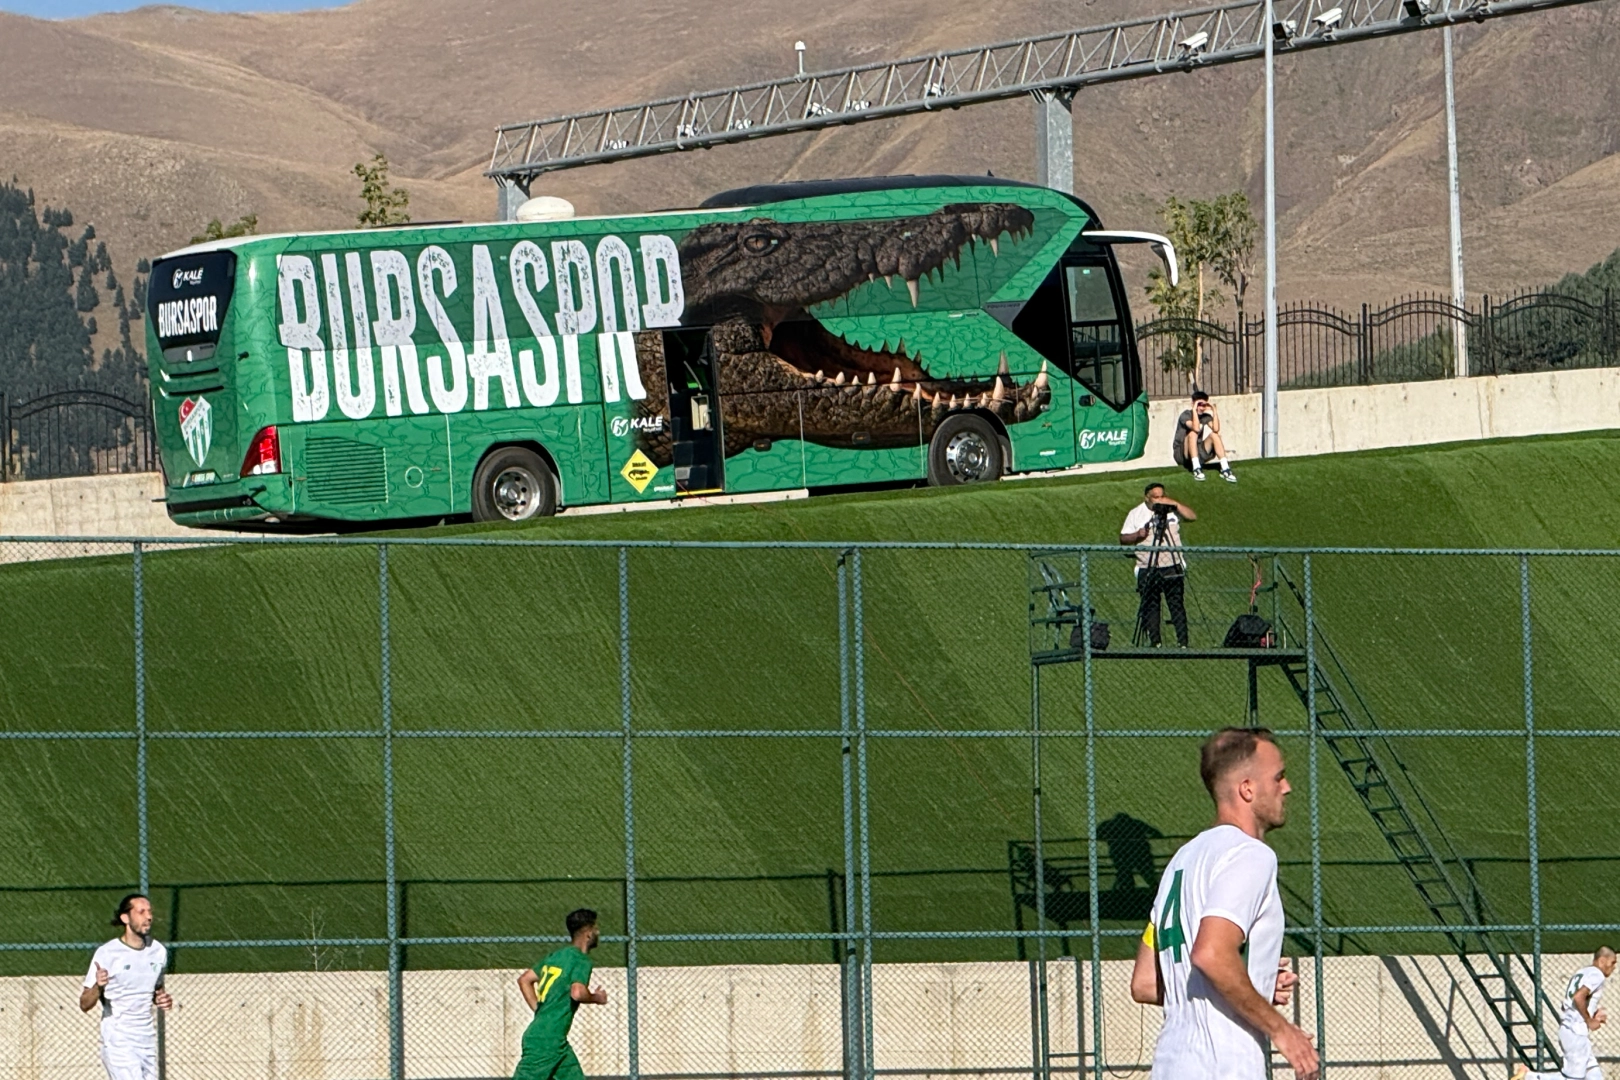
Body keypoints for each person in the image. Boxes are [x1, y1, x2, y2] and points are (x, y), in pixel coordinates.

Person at [1129, 728, 1319, 1080]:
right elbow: (1211, 953)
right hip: (1223, 1067)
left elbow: (1145, 981)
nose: (1287, 787)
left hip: (1171, 1067)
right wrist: (1283, 1031)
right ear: (1247, 789)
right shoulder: (1250, 855)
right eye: (1278, 777)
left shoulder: (1180, 862)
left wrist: (1252, 986)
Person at [80, 894, 172, 1080]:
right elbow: (84, 1004)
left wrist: (161, 998)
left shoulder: (158, 951)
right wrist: (98, 985)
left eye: (149, 912)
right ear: (125, 918)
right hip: (119, 1040)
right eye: (141, 912)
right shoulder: (108, 953)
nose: (148, 917)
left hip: (146, 1038)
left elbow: (156, 989)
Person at [514, 909, 609, 1080]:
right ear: (588, 933)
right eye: (595, 928)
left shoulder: (555, 957)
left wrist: (541, 1011)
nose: (598, 932)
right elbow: (577, 992)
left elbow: (524, 980)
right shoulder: (581, 960)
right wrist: (596, 998)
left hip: (554, 1040)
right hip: (547, 1042)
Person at [1513, 946, 1616, 1080]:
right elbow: (1578, 997)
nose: (1613, 967)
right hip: (1576, 1033)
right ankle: (1529, 1077)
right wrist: (1589, 1020)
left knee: (1594, 1075)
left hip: (1571, 1030)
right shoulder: (1597, 975)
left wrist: (1592, 1014)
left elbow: (1571, 1004)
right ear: (1602, 960)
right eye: (1612, 962)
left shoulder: (1582, 972)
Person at [1119, 483, 1195, 648]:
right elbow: (1123, 538)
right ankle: (1155, 641)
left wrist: (1175, 504)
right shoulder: (1136, 513)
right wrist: (1138, 535)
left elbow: (1192, 517)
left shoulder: (1172, 511)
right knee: (1151, 605)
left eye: (1162, 496)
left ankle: (1183, 642)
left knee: (1176, 604)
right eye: (1156, 497)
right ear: (1147, 497)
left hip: (1172, 564)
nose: (1160, 500)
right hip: (1147, 565)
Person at [1174, 391, 1237, 483]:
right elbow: (1196, 428)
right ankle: (1196, 469)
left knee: (1214, 435)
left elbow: (1216, 429)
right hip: (1182, 454)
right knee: (1193, 433)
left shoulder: (1205, 417)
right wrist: (1194, 410)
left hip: (1198, 451)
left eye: (1204, 405)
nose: (1202, 408)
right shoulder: (1185, 415)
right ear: (1193, 403)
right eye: (1199, 405)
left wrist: (1214, 412)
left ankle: (1225, 469)